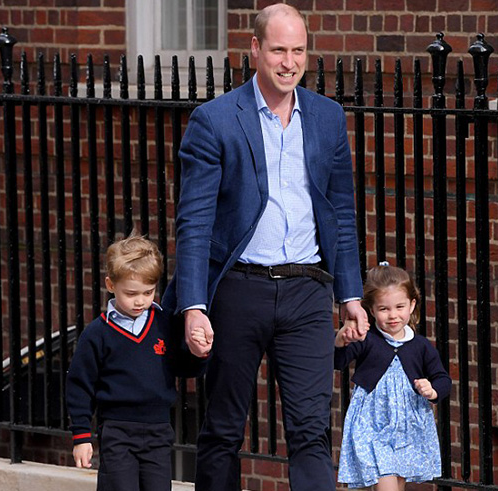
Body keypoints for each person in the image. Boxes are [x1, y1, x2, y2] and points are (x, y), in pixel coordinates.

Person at [160, 3, 369, 489]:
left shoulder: (328, 118)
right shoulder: (214, 120)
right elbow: (194, 222)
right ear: (255, 49)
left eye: (298, 50)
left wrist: (351, 295)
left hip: (308, 292)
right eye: (278, 49)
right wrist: (193, 305)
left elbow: (340, 213)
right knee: (223, 430)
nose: (289, 62)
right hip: (238, 290)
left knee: (312, 432)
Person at [65, 233, 205, 491]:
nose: (140, 300)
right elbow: (79, 386)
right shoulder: (97, 333)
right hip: (117, 432)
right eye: (131, 293)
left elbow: (185, 368)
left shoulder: (165, 325)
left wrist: (198, 353)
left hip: (159, 431)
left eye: (148, 292)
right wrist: (81, 436)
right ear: (110, 284)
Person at [334, 262, 452, 491]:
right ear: (371, 310)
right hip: (372, 424)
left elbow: (443, 379)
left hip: (407, 428)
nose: (393, 315)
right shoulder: (366, 339)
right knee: (386, 484)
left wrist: (433, 390)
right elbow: (337, 363)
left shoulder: (420, 346)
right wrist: (340, 341)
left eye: (400, 307)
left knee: (396, 485)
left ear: (412, 304)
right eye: (384, 309)